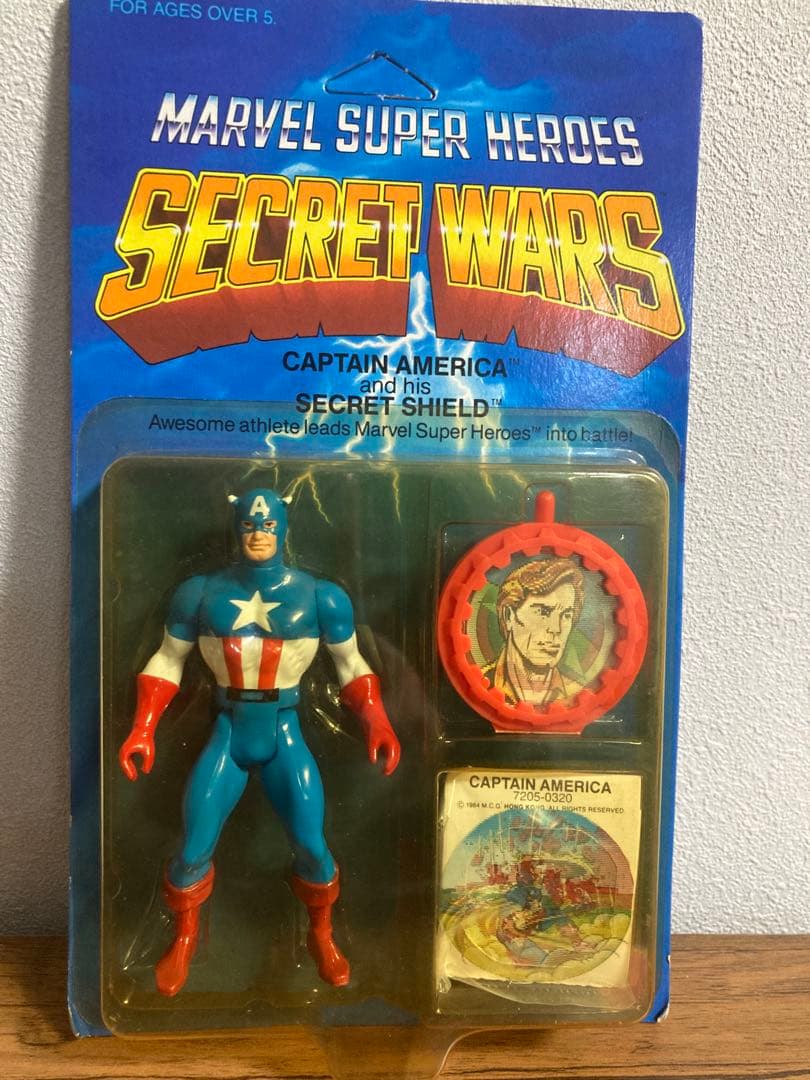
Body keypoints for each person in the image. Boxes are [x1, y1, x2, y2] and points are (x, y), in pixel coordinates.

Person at [118, 488, 400, 996]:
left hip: (284, 730)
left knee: (312, 846)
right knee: (193, 848)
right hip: (228, 730)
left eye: (268, 525)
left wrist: (377, 722)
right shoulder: (200, 592)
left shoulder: (320, 596)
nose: (258, 534)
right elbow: (167, 659)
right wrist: (143, 728)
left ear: (284, 528)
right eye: (250, 525)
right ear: (236, 527)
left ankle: (322, 934)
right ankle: (184, 938)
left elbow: (351, 664)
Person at [485, 557, 585, 707]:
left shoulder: (579, 696)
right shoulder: (482, 682)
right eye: (543, 612)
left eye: (566, 615)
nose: (556, 629)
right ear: (509, 616)